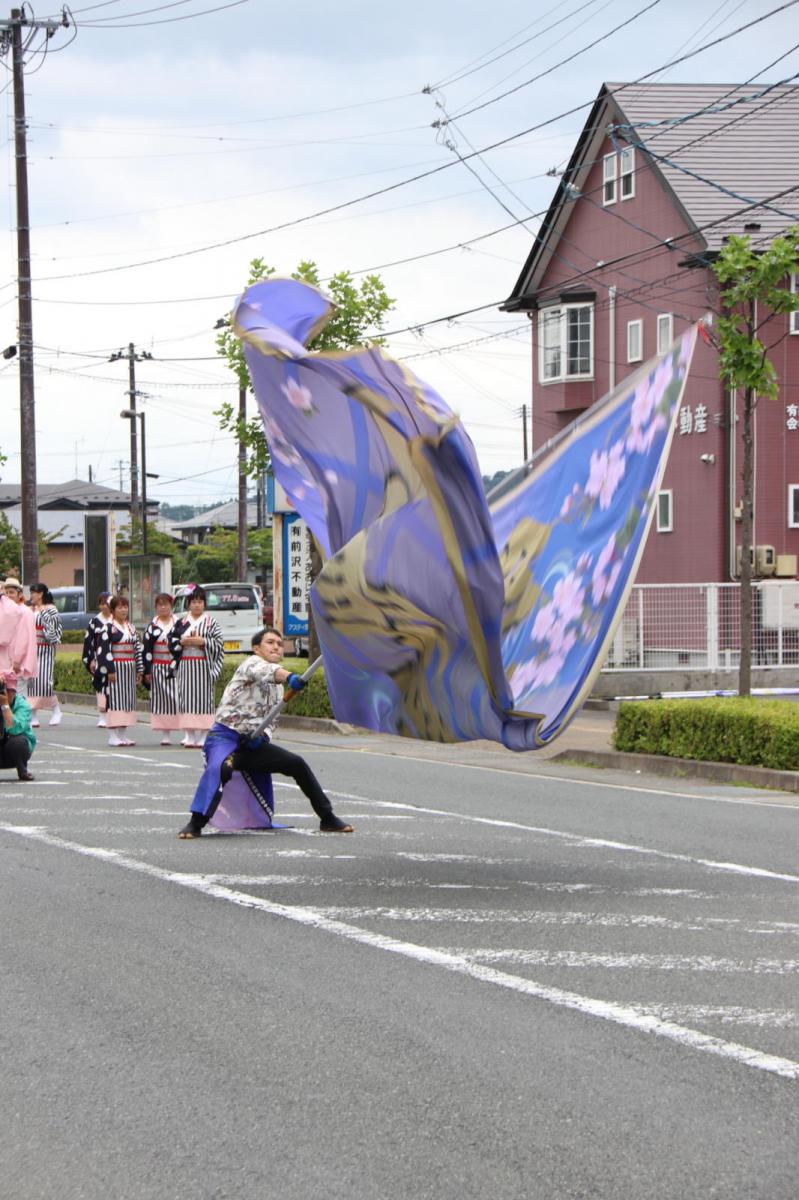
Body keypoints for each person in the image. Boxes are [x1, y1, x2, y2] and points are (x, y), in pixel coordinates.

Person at [178, 627, 353, 838]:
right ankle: (195, 822)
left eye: (279, 644)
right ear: (256, 648)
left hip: (252, 744)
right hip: (225, 737)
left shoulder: (279, 688)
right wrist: (289, 677)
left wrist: (263, 737)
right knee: (220, 768)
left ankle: (327, 818)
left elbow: (271, 722)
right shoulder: (251, 664)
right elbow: (265, 672)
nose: (276, 647)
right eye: (270, 642)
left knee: (296, 764)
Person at [169, 585, 224, 749]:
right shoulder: (182, 622)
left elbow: (219, 643)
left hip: (204, 665)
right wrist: (181, 642)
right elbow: (171, 641)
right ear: (188, 604)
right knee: (186, 697)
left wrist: (204, 642)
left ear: (204, 604)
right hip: (186, 664)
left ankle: (204, 734)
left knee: (204, 699)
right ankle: (190, 734)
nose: (197, 605)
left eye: (200, 602)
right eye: (194, 602)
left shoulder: (210, 622)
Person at [95, 594, 143, 747]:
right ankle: (112, 735)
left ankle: (123, 734)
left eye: (125, 607)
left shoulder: (131, 628)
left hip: (129, 667)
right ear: (113, 610)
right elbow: (103, 651)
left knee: (127, 700)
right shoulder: (108, 628)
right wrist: (109, 670)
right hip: (116, 667)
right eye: (119, 607)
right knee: (114, 700)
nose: (123, 610)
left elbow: (137, 649)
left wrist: (139, 669)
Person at [142, 592, 180, 746]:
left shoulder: (179, 624)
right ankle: (166, 733)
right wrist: (147, 670)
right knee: (162, 700)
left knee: (179, 697)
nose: (163, 607)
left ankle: (186, 730)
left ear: (171, 606)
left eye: (166, 604)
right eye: (160, 605)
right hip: (158, 666)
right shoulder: (152, 626)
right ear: (156, 607)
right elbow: (146, 650)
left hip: (176, 666)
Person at [27, 583, 63, 728]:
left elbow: (53, 632)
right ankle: (33, 713)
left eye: (33, 593)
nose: (31, 596)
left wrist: (43, 613)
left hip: (45, 649)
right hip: (30, 649)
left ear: (40, 594)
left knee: (44, 682)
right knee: (30, 681)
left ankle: (55, 708)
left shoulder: (51, 610)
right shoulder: (29, 608)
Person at [81, 592, 113, 727]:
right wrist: (91, 659)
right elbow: (89, 642)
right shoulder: (94, 622)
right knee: (101, 685)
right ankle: (102, 715)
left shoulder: (116, 620)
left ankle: (114, 714)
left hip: (115, 658)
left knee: (114, 686)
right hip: (99, 657)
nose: (104, 606)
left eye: (107, 603)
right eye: (101, 603)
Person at [0, 670, 36, 781]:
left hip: (13, 752)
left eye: (9, 690)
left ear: (15, 691)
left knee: (18, 742)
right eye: (3, 689)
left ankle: (22, 771)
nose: (6, 692)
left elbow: (15, 729)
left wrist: (5, 706)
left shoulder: (23, 706)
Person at [3, 577, 37, 689]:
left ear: (19, 594)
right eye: (6, 592)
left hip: (18, 665)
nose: (8, 595)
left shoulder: (22, 612)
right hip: (10, 664)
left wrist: (17, 661)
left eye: (11, 592)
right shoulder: (12, 611)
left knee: (17, 700)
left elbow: (22, 639)